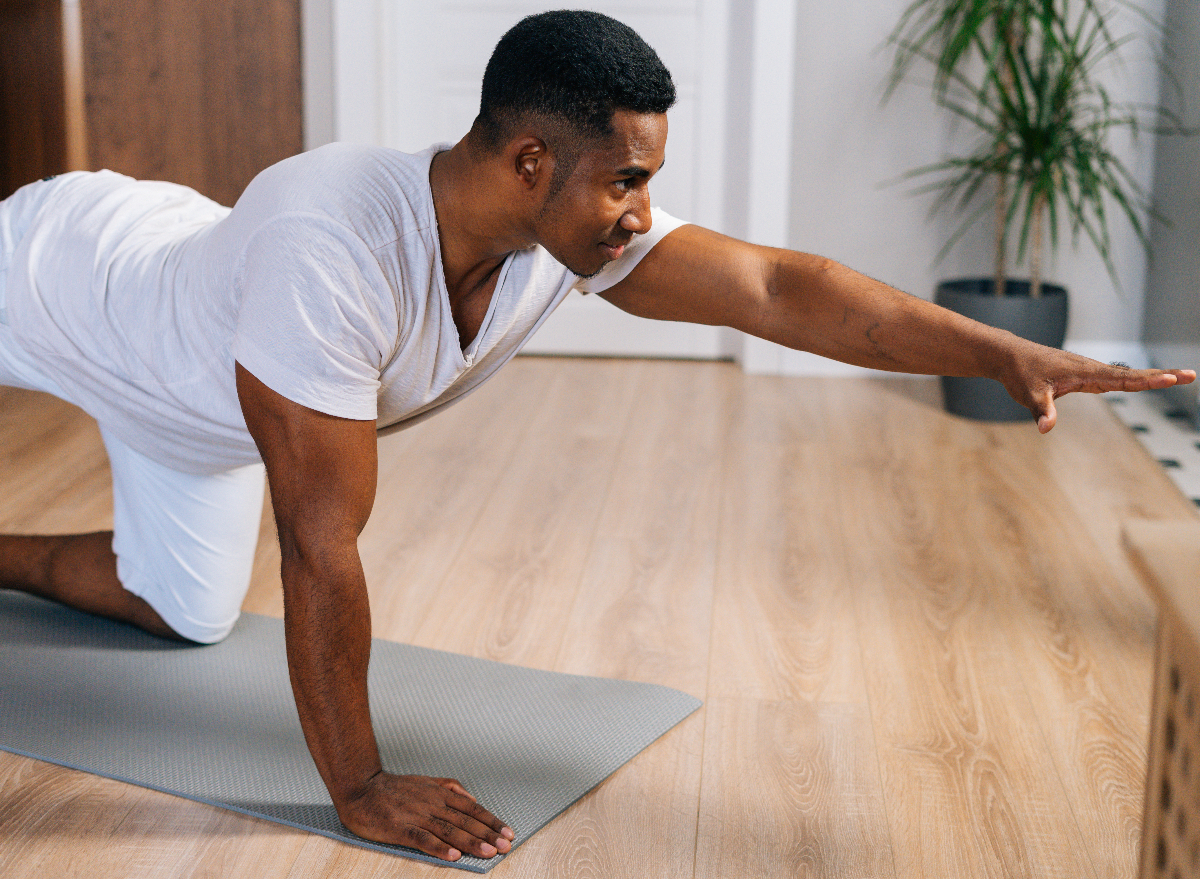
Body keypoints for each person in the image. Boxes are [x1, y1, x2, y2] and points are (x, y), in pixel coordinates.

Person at [0, 8, 1192, 864]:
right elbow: (321, 545)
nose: (639, 212)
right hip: (62, 283)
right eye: (625, 180)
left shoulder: (552, 244)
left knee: (185, 611)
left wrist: (1002, 350)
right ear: (531, 162)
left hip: (200, 409)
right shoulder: (333, 247)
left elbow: (779, 290)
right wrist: (358, 788)